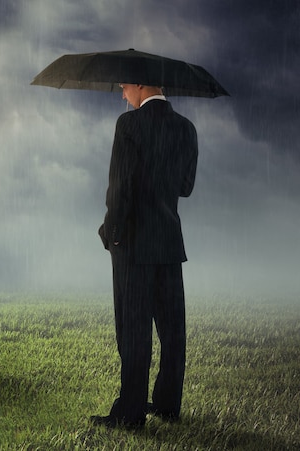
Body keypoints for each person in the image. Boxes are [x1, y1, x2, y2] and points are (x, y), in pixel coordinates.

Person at [92, 83, 198, 428]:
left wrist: (111, 231)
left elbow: (119, 186)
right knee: (172, 331)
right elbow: (186, 187)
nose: (123, 94)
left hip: (133, 244)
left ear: (140, 84)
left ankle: (130, 413)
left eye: (124, 87)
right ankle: (168, 404)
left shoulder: (129, 125)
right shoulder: (186, 127)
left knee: (133, 330)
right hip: (169, 242)